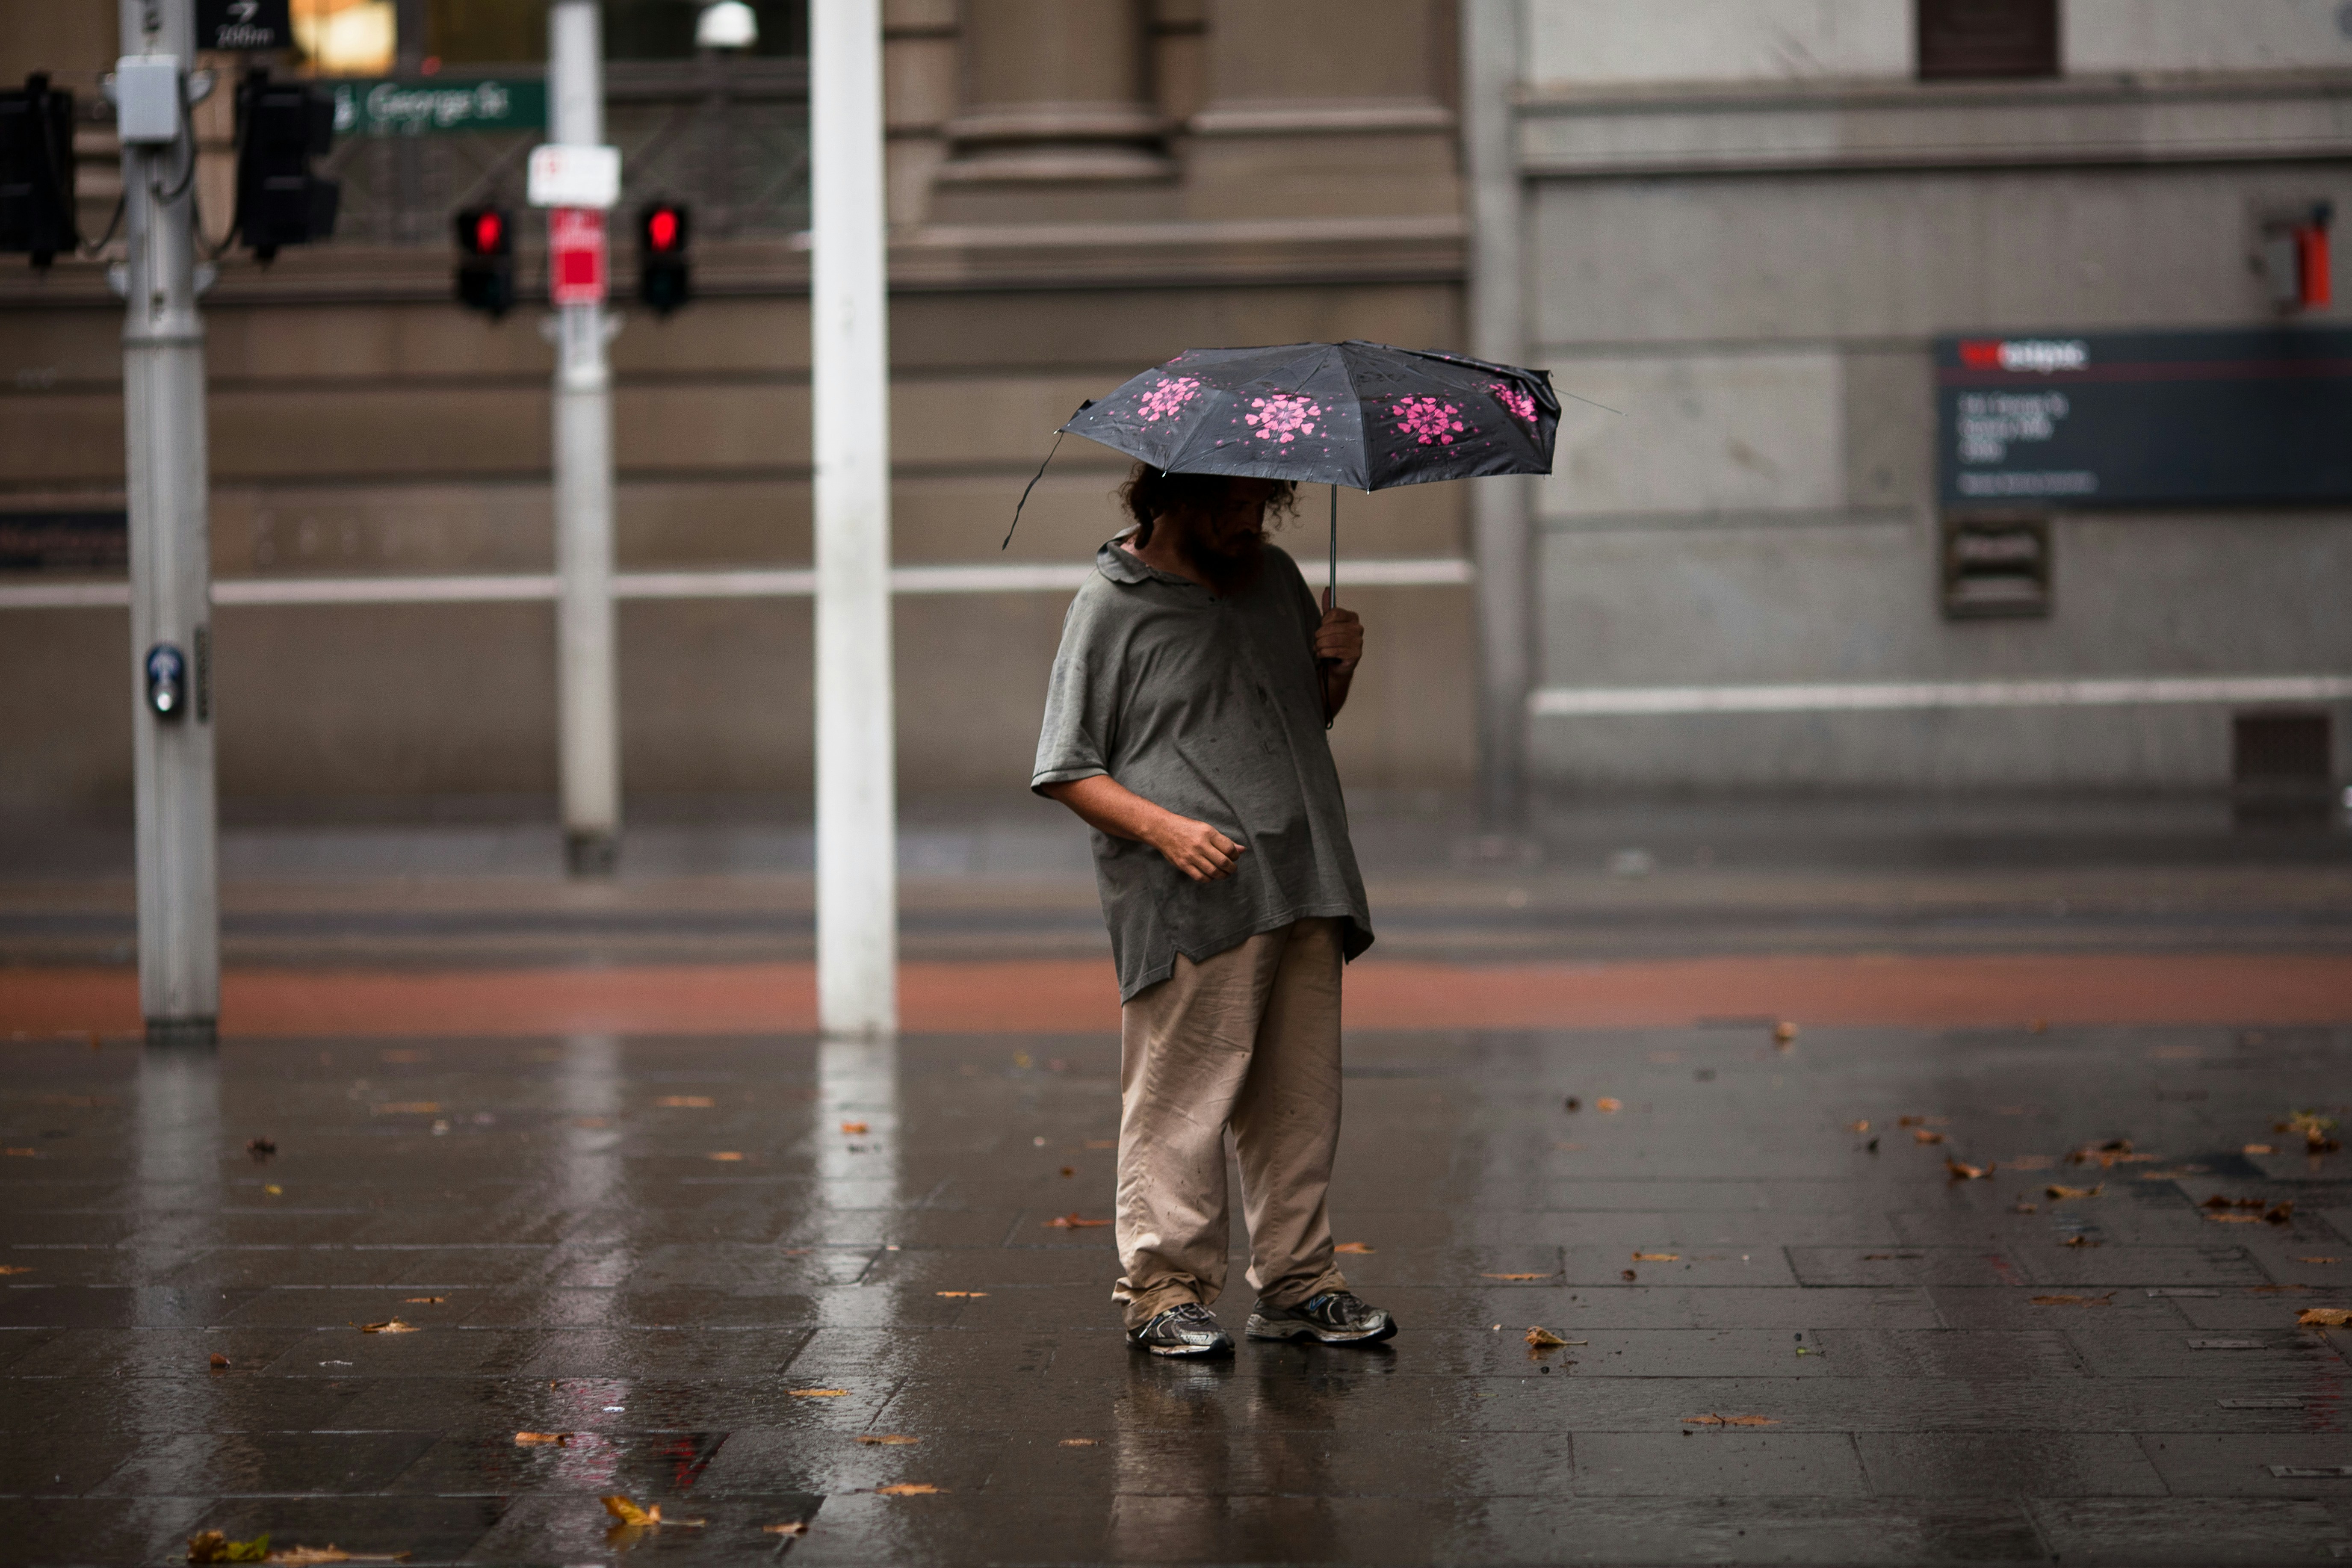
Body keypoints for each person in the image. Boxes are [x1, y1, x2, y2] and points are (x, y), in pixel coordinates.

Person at [1031, 464, 1395, 1358]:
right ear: (1173, 499)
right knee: (1179, 1099)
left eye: (1262, 505)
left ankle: (1298, 1282)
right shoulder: (1109, 603)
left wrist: (1337, 670)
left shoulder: (1273, 579)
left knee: (1296, 1101)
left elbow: (1299, 721)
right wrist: (1166, 831)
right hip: (1191, 894)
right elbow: (1065, 766)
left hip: (1302, 873)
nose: (1250, 523)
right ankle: (1162, 1287)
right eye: (1231, 507)